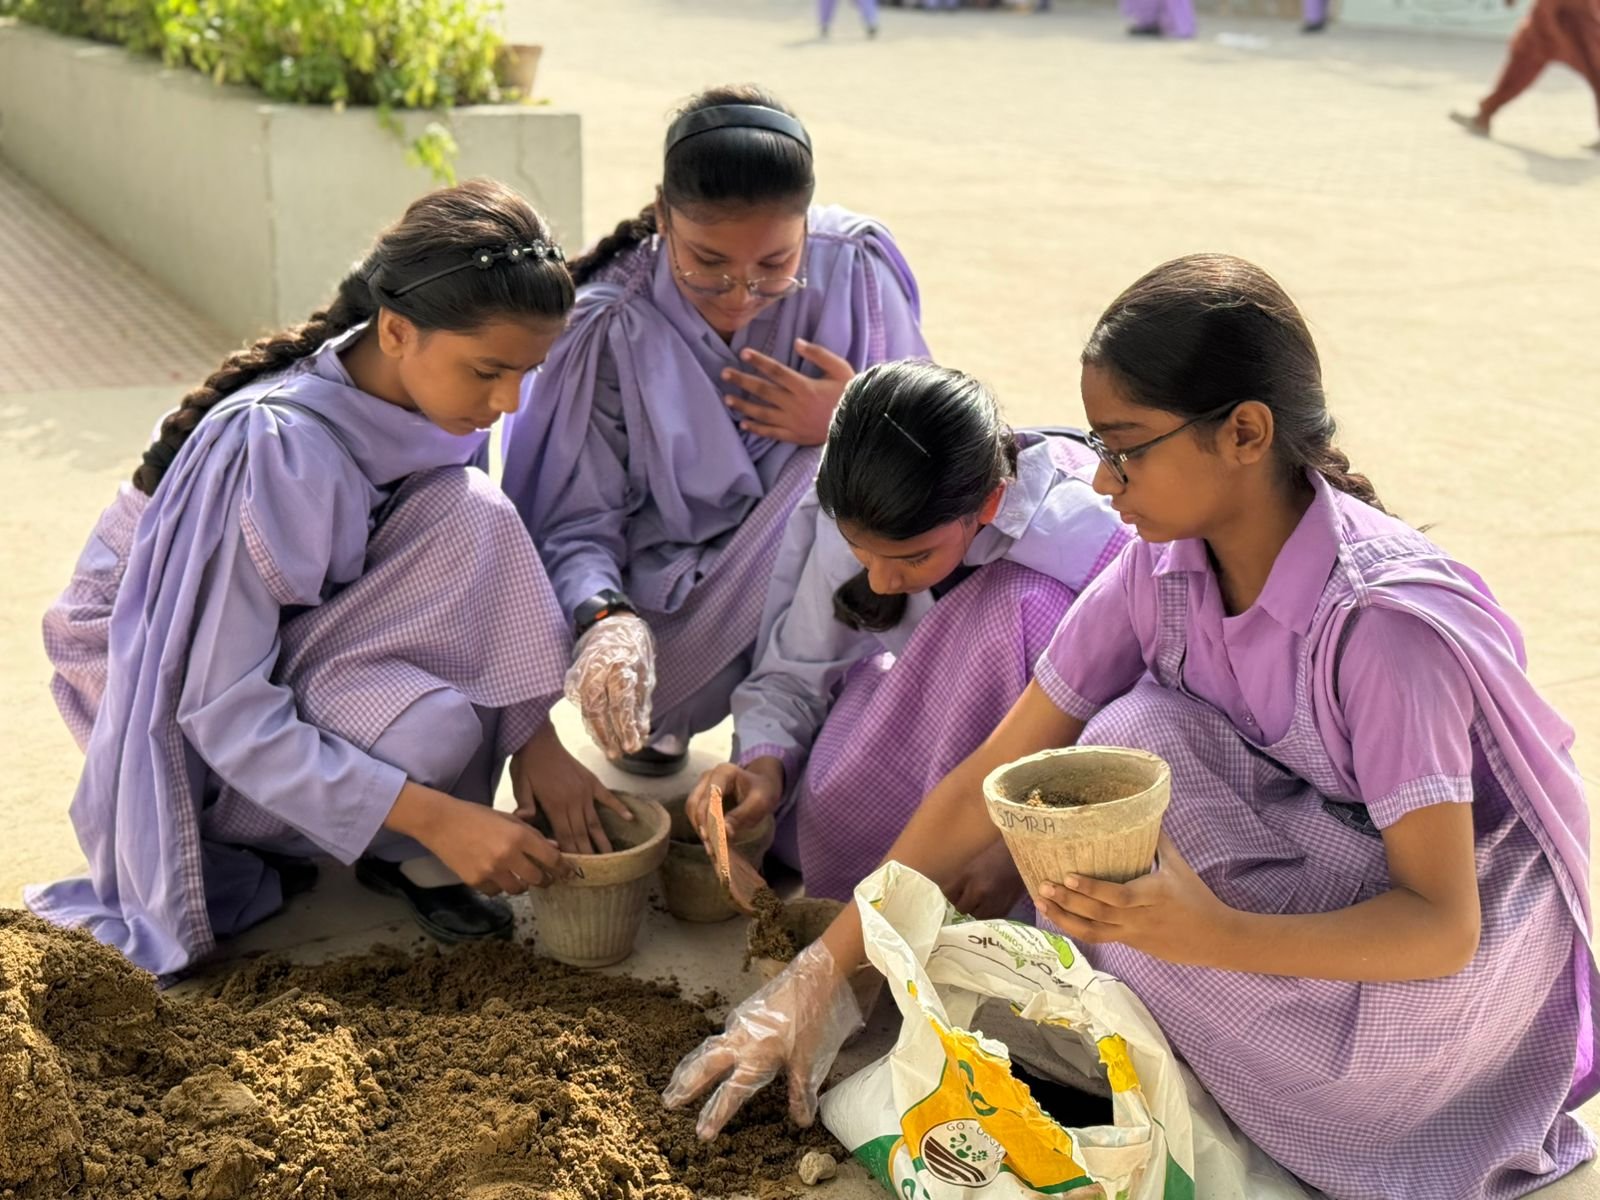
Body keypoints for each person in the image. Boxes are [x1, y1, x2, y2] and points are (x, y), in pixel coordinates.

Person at [664, 254, 1598, 1200]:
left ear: (1244, 432)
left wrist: (1210, 936)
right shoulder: (1162, 568)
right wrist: (819, 976)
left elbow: (1441, 928)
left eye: (1126, 449)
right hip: (1309, 863)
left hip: (1438, 990)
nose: (1102, 482)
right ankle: (1195, 1025)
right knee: (1115, 750)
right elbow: (1002, 760)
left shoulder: (1383, 631)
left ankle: (1281, 1087)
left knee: (1120, 892)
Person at [30, 180, 624, 978]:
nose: (507, 401)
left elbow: (476, 576)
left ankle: (395, 837)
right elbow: (220, 706)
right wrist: (443, 819)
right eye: (489, 371)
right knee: (431, 728)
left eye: (527, 372)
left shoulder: (424, 397)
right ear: (397, 330)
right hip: (149, 679)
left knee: (476, 512)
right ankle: (390, 834)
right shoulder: (275, 451)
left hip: (291, 628)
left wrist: (535, 738)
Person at [500, 85, 929, 780]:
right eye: (708, 264)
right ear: (664, 216)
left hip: (836, 583)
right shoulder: (607, 323)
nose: (740, 296)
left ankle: (817, 723)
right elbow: (573, 522)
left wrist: (854, 414)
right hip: (675, 604)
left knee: (840, 476)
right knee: (638, 685)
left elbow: (943, 448)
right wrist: (606, 621)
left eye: (773, 265)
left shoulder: (854, 268)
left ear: (806, 223)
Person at [685, 360, 1128, 915]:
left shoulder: (1093, 541)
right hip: (926, 727)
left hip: (1049, 784)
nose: (879, 581)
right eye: (860, 551)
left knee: (1021, 604)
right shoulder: (850, 502)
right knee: (838, 815)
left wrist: (1019, 849)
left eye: (913, 557)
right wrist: (762, 769)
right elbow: (797, 673)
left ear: (989, 503)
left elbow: (1132, 727)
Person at [1451, 0, 1600, 150]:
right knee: (1520, 64)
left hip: (1576, 15)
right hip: (1546, 17)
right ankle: (1483, 116)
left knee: (1597, 69)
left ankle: (1484, 116)